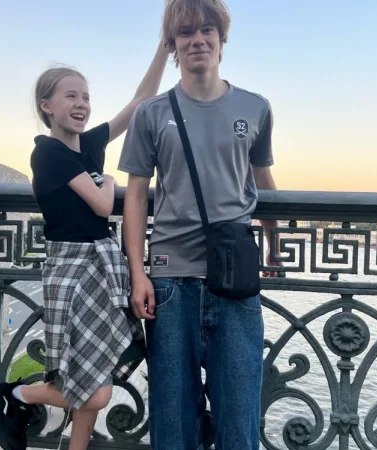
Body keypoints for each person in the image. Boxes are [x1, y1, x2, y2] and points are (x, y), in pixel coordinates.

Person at [0, 27, 169, 450]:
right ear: (46, 106)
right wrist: (111, 182)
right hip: (71, 270)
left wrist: (164, 47)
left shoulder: (88, 144)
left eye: (85, 96)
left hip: (102, 266)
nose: (81, 103)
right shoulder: (47, 152)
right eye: (70, 96)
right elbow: (103, 205)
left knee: (95, 373)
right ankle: (14, 393)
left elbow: (139, 103)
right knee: (93, 389)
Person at [118, 0, 282, 448]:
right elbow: (136, 195)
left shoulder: (256, 107)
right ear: (173, 44)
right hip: (170, 282)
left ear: (222, 39)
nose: (198, 40)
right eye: (186, 32)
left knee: (240, 421)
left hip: (235, 279)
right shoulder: (152, 113)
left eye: (207, 30)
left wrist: (275, 240)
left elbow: (262, 180)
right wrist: (138, 273)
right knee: (172, 423)